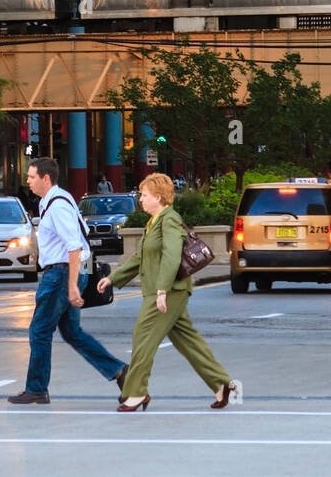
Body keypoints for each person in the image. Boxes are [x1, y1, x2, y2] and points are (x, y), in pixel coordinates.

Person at [98, 172, 238, 412]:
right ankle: (221, 383)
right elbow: (141, 257)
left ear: (159, 197)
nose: (140, 199)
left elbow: (172, 256)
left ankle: (136, 392)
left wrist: (162, 290)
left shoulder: (169, 220)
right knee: (188, 341)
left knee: (143, 338)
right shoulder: (154, 222)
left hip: (167, 291)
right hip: (163, 290)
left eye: (144, 195)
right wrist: (112, 278)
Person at [8, 157, 128, 405]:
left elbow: (73, 247)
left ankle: (37, 388)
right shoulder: (55, 200)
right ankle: (119, 371)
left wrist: (72, 285)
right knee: (72, 332)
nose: (27, 181)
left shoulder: (58, 206)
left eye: (31, 177)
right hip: (66, 272)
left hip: (61, 274)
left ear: (46, 178)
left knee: (39, 330)